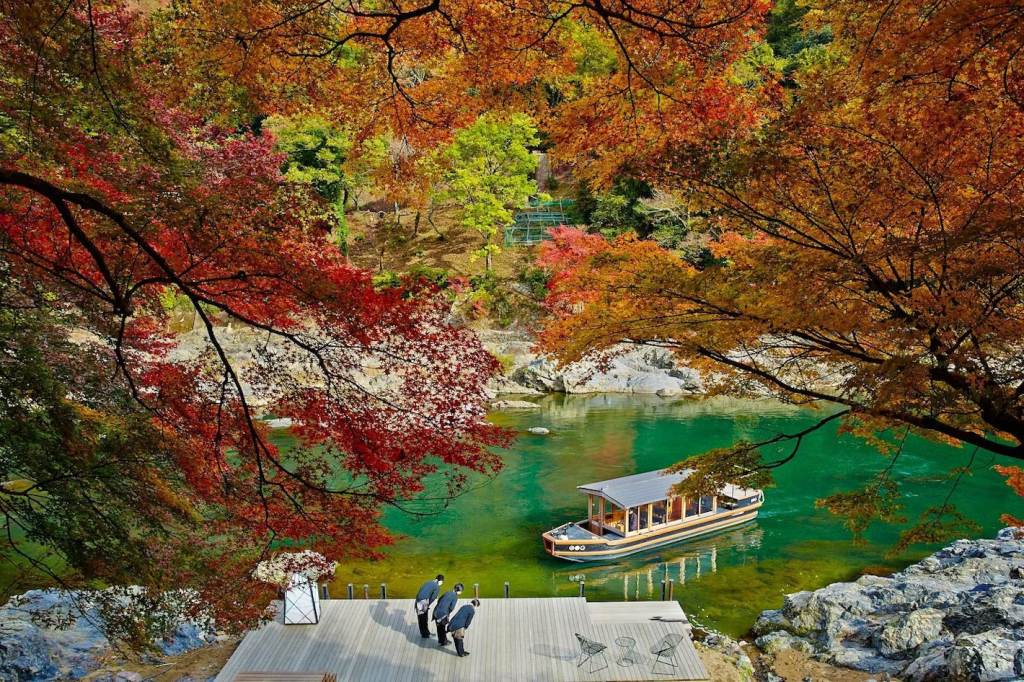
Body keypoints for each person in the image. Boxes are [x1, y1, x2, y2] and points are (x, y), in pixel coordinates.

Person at [432, 582, 463, 647]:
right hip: (443, 614)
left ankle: (441, 640)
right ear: (459, 591)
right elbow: (451, 607)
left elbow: (439, 600)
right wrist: (447, 612)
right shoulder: (455, 597)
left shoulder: (447, 592)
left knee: (439, 627)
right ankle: (444, 641)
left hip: (436, 611)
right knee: (442, 627)